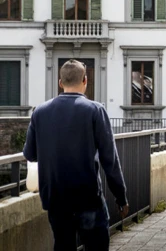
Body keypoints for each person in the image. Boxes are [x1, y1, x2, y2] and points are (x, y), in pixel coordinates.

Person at [23, 59, 128, 251]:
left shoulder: (40, 112)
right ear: (85, 80)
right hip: (87, 197)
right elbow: (110, 160)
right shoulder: (95, 110)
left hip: (55, 199)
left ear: (60, 82)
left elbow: (30, 154)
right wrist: (121, 197)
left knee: (63, 245)